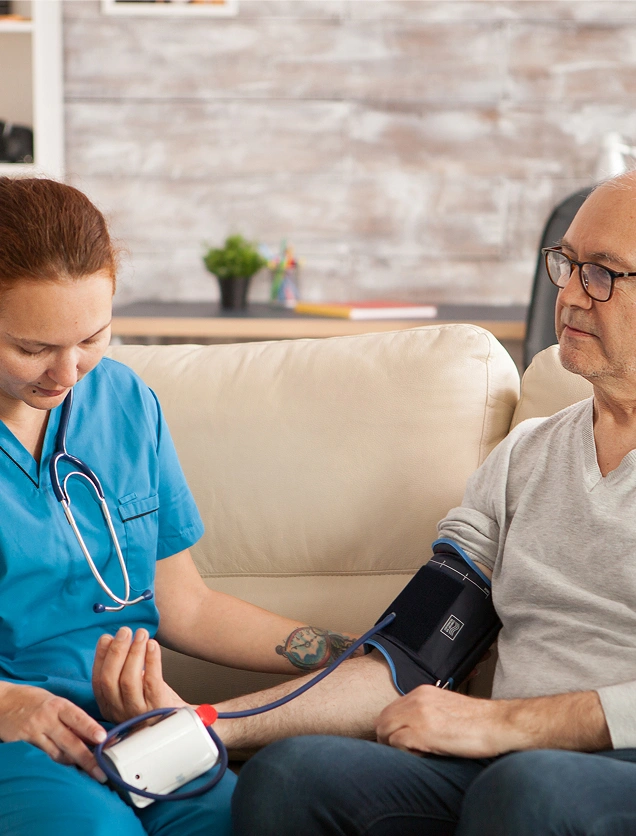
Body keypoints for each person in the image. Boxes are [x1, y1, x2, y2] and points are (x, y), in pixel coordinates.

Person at [96, 170, 636, 835]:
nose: (573, 296)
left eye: (604, 273)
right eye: (568, 264)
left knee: (529, 789)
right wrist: (205, 723)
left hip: (584, 769)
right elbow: (410, 658)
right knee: (290, 777)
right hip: (504, 764)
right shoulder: (527, 457)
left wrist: (507, 723)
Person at [0, 177, 362, 836]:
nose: (67, 372)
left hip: (143, 723)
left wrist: (351, 655)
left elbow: (183, 603)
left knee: (255, 819)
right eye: (31, 348)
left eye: (93, 337)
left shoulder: (126, 402)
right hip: (19, 738)